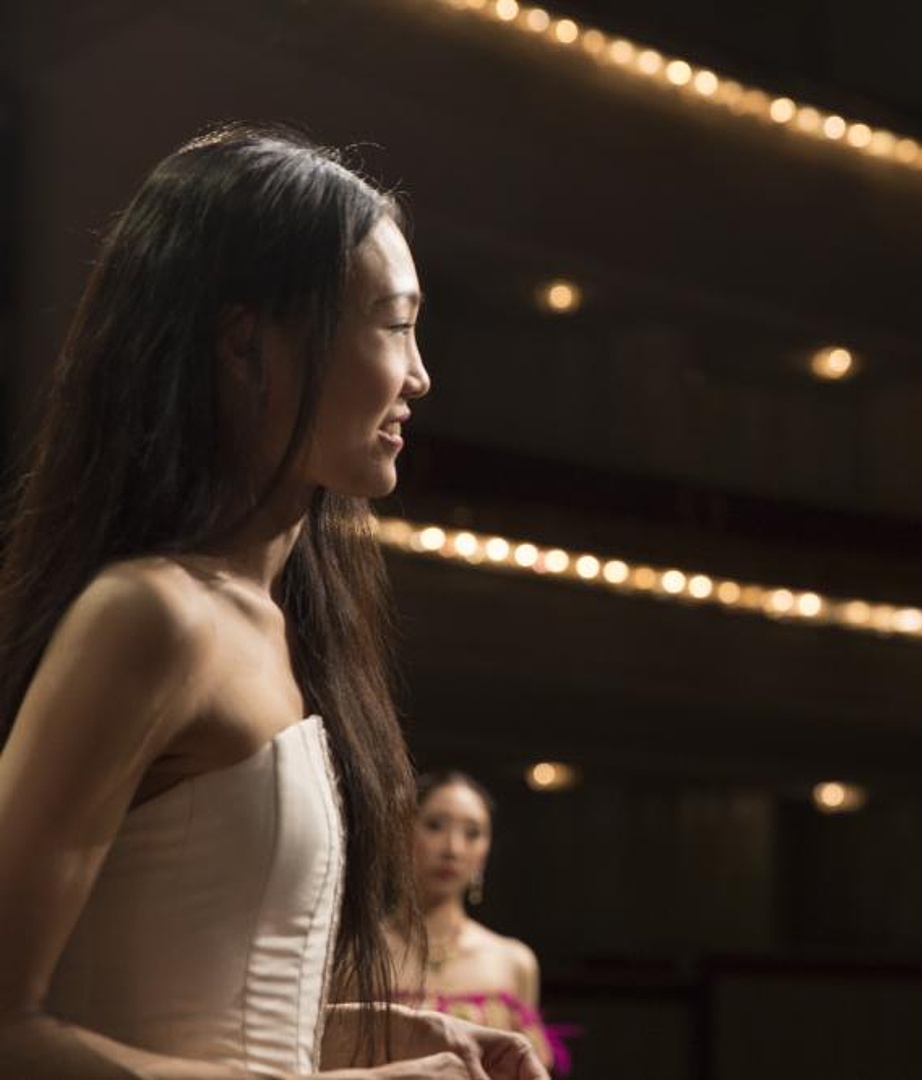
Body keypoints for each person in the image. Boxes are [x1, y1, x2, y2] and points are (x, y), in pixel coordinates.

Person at [0, 124, 546, 1079]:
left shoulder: (281, 628)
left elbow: (180, 1001)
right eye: (393, 321)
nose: (419, 375)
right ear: (250, 346)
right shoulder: (150, 617)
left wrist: (375, 1037)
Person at [387, 772, 574, 1075]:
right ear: (403, 832)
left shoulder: (513, 961)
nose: (453, 849)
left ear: (485, 849)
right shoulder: (359, 953)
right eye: (435, 826)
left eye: (472, 833)